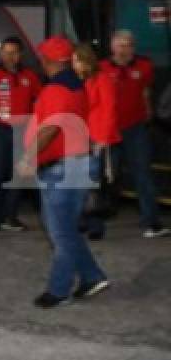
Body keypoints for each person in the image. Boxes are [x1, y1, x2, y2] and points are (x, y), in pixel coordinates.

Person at [18, 37, 109, 308]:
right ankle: (92, 276)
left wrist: (27, 157)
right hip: (72, 163)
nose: (40, 63)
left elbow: (50, 129)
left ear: (49, 61)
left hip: (64, 167)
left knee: (61, 234)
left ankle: (59, 291)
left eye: (42, 58)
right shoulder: (75, 85)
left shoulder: (57, 89)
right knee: (63, 229)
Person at [97, 30, 168, 238]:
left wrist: (148, 115)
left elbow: (146, 92)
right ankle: (95, 220)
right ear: (112, 47)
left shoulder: (144, 66)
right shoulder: (101, 69)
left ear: (133, 48)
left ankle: (151, 222)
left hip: (136, 130)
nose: (124, 49)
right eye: (120, 45)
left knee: (143, 175)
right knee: (104, 175)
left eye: (128, 45)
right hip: (109, 130)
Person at [0, 37, 41, 231]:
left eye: (14, 52)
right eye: (6, 52)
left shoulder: (30, 76)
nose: (10, 56)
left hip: (23, 131)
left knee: (18, 174)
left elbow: (39, 101)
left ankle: (10, 217)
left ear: (21, 55)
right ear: (0, 54)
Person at [74, 44, 121, 241]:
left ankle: (95, 225)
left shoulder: (102, 79)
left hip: (98, 138)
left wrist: (103, 138)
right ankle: (83, 220)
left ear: (85, 61)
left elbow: (110, 110)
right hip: (82, 137)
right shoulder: (80, 80)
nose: (73, 64)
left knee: (94, 183)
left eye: (76, 60)